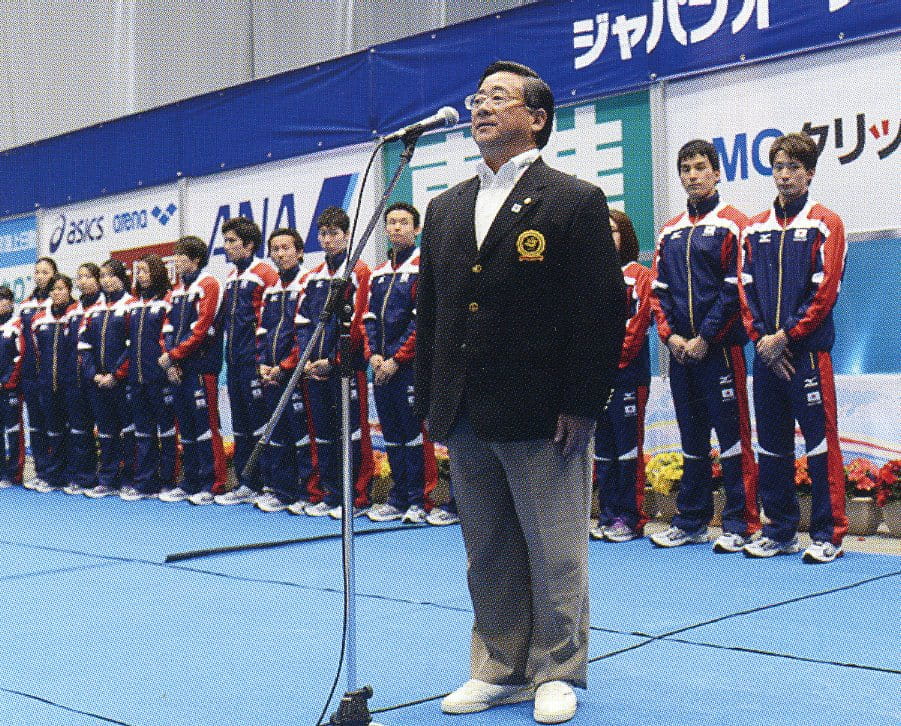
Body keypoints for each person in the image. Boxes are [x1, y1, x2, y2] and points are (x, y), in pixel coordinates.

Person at [414, 61, 626, 724]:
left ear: (536, 117)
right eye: (477, 97)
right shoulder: (444, 207)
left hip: (543, 408)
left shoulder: (573, 199)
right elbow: (433, 313)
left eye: (498, 98)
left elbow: (600, 310)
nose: (480, 107)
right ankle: (499, 665)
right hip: (467, 408)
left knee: (553, 544)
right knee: (488, 546)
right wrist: (433, 403)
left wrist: (581, 401)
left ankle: (556, 669)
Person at [738, 132, 848, 564]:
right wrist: (762, 339)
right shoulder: (755, 226)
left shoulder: (826, 222)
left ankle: (829, 534)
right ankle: (779, 530)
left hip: (806, 354)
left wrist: (787, 337)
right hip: (765, 356)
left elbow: (826, 291)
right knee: (772, 445)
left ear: (810, 173)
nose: (785, 176)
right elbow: (745, 290)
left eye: (794, 168)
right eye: (778, 168)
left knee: (821, 444)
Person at [650, 139, 760, 552]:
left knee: (732, 438)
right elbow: (658, 294)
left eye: (700, 167)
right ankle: (691, 521)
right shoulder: (670, 230)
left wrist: (705, 337)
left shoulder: (735, 224)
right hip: (682, 355)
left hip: (721, 351)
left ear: (717, 173)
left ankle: (740, 523)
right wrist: (673, 338)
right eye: (686, 169)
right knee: (692, 440)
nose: (693, 175)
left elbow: (736, 290)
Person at [297, 206, 374, 519]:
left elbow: (358, 321)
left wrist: (333, 360)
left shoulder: (359, 271)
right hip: (315, 370)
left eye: (334, 234)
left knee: (352, 432)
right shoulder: (313, 276)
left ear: (347, 236)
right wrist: (308, 360)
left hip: (345, 367)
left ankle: (357, 496)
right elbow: (302, 321)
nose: (327, 240)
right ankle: (331, 494)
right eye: (323, 234)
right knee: (325, 433)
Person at [364, 202, 438, 524]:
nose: (396, 228)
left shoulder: (423, 267)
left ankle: (419, 500)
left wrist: (397, 359)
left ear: (417, 229)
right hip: (382, 368)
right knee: (392, 434)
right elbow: (367, 320)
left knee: (414, 434)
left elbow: (421, 322)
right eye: (391, 223)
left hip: (409, 368)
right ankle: (397, 497)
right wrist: (375, 357)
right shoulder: (379, 272)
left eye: (403, 223)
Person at [591, 209, 654, 542]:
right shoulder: (588, 276)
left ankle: (630, 517)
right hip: (596, 380)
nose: (606, 236)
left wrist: (610, 361)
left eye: (612, 231)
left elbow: (637, 325)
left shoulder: (639, 275)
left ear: (625, 236)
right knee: (602, 448)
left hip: (628, 375)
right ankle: (607, 512)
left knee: (627, 447)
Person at [214, 217, 279, 506]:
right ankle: (246, 482)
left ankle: (269, 483)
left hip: (255, 360)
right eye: (225, 241)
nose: (226, 247)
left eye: (231, 241)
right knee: (240, 425)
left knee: (260, 423)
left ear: (249, 245)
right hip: (234, 361)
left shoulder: (265, 274)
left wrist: (262, 358)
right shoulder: (231, 276)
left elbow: (272, 320)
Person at [158, 236, 226, 504]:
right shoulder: (175, 291)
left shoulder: (209, 284)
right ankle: (190, 482)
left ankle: (213, 484)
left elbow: (203, 328)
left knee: (206, 427)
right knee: (185, 427)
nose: (175, 260)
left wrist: (175, 355)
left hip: (201, 367)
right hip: (179, 369)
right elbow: (167, 328)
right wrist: (172, 361)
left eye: (180, 255)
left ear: (195, 259)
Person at [255, 227, 318, 513]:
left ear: (300, 251)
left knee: (302, 433)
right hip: (271, 373)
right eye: (275, 249)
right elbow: (263, 330)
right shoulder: (271, 289)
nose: (280, 254)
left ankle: (308, 491)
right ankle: (283, 491)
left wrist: (286, 366)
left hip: (295, 374)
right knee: (277, 432)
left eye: (286, 248)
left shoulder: (307, 283)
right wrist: (263, 365)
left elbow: (304, 333)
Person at [121, 254, 177, 500]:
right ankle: (144, 482)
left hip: (159, 377)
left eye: (144, 270)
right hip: (137, 378)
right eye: (137, 271)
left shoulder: (167, 300)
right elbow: (126, 343)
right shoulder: (132, 304)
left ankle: (167, 481)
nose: (140, 275)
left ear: (156, 272)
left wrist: (168, 365)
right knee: (143, 432)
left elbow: (169, 338)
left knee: (165, 431)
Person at [81, 260, 135, 498]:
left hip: (122, 381)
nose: (105, 280)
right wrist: (94, 375)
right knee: (105, 431)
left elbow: (134, 345)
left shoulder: (130, 305)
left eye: (110, 275)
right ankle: (107, 479)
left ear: (121, 277)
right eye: (102, 275)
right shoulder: (94, 309)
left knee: (127, 430)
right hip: (98, 382)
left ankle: (129, 478)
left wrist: (116, 375)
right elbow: (84, 345)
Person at [30, 274, 78, 492]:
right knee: (54, 431)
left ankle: (74, 475)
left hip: (71, 384)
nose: (57, 293)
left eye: (61, 288)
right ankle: (54, 476)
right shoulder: (39, 319)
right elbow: (38, 353)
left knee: (74, 430)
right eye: (53, 289)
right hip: (48, 384)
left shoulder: (76, 314)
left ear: (69, 290)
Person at [63, 263, 102, 495]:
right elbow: (69, 347)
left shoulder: (104, 306)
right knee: (80, 430)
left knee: (107, 430)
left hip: (97, 378)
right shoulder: (73, 310)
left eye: (88, 276)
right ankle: (84, 476)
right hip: (75, 380)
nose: (83, 281)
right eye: (80, 277)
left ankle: (108, 477)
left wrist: (97, 372)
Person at [19, 256, 56, 490]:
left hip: (54, 376)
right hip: (31, 376)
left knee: (56, 425)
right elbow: (22, 342)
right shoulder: (25, 305)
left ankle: (57, 473)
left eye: (45, 272)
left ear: (54, 274)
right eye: (37, 272)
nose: (40, 276)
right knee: (36, 426)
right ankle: (41, 472)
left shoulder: (60, 304)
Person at [0, 286, 24, 489]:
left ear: (11, 303)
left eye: (4, 300)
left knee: (13, 430)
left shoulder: (16, 326)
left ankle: (13, 474)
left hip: (9, 388)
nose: (1, 304)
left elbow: (19, 358)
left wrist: (6, 382)